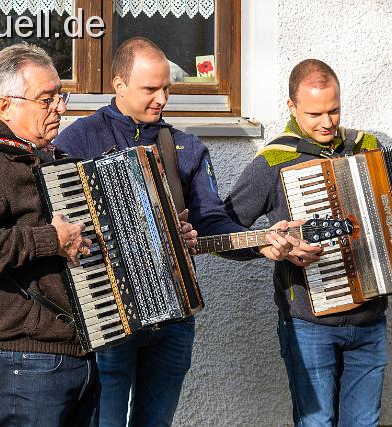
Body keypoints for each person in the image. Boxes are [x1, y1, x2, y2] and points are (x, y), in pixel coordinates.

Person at [54, 37, 297, 426]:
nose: (162, 98)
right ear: (119, 85)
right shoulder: (77, 140)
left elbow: (212, 222)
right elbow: (58, 224)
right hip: (109, 313)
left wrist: (260, 243)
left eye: (167, 87)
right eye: (150, 89)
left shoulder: (186, 147)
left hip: (174, 316)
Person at [224, 59, 392, 426]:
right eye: (315, 113)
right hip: (307, 322)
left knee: (364, 423)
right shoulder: (274, 160)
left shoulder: (367, 146)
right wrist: (266, 247)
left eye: (334, 110)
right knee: (316, 422)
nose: (327, 122)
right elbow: (225, 230)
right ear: (291, 107)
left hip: (370, 319)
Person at [0, 43, 98, 426]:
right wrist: (49, 240)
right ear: (6, 106)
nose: (60, 108)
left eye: (60, 97)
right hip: (24, 361)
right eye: (47, 99)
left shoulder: (50, 160)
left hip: (79, 351)